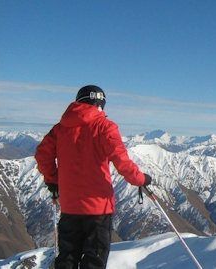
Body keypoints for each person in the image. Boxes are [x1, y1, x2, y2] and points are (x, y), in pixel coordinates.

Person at [35, 85, 152, 269]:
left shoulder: (59, 129)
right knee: (94, 260)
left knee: (67, 257)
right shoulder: (105, 127)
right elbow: (122, 161)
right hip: (98, 208)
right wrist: (141, 179)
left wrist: (53, 180)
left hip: (69, 207)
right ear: (100, 104)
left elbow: (42, 155)